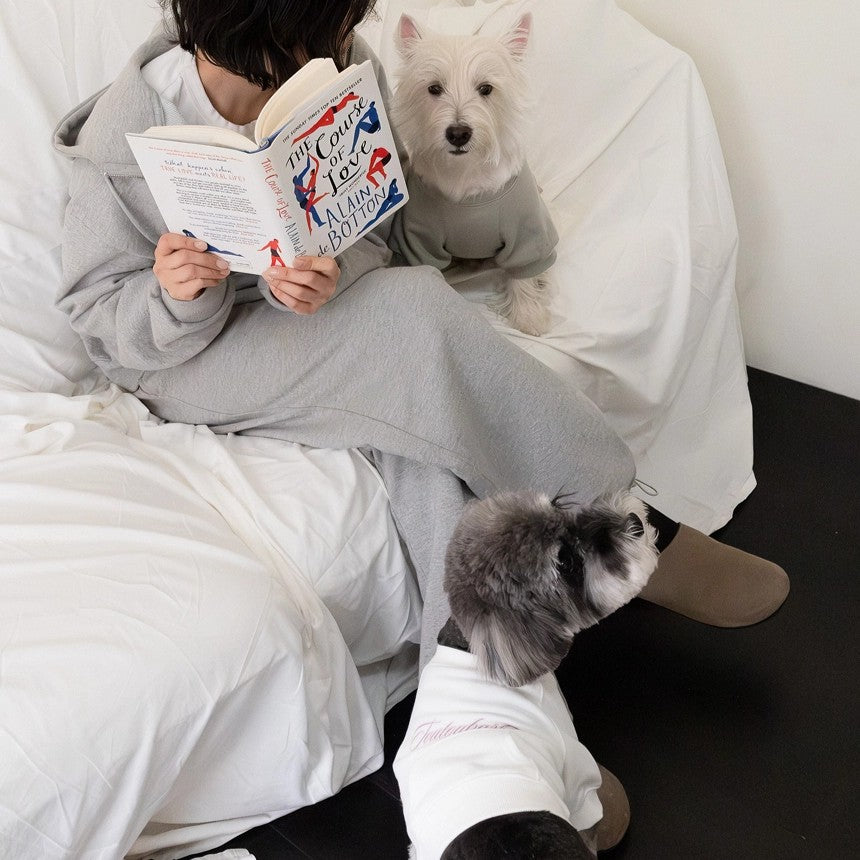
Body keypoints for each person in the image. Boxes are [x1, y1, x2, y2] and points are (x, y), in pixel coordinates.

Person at [53, 0, 788, 848]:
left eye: (334, 33)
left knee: (419, 441)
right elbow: (99, 318)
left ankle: (488, 767)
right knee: (410, 313)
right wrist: (177, 295)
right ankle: (618, 524)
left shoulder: (336, 70)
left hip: (306, 320)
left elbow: (378, 228)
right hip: (186, 359)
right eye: (310, 39)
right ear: (249, 30)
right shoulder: (122, 134)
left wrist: (332, 269)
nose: (333, 50)